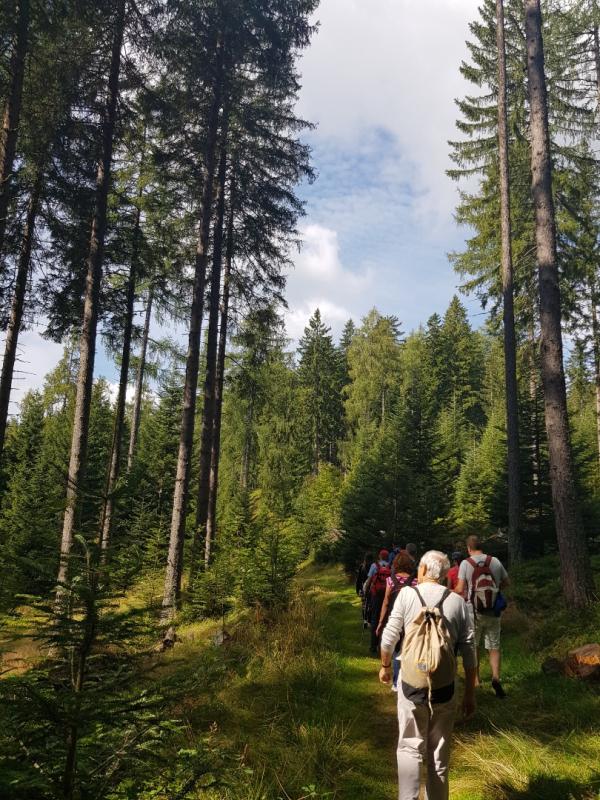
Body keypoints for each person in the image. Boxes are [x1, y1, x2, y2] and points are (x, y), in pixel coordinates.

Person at [380, 550, 476, 800]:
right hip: (444, 687)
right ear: (444, 575)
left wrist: (386, 666)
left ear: (422, 570)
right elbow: (469, 652)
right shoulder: (458, 602)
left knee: (409, 748)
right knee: (438, 755)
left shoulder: (407, 595)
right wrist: (469, 694)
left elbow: (388, 639)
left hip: (411, 684)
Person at [453, 535, 509, 698]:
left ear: (468, 548)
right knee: (494, 645)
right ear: (482, 546)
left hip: (474, 611)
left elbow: (460, 589)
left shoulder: (466, 563)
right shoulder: (495, 561)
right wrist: (494, 591)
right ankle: (496, 678)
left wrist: (450, 591)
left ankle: (476, 680)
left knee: (474, 645)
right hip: (493, 610)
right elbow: (507, 582)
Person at [375, 549, 417, 691]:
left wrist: (380, 622)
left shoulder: (390, 580)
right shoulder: (416, 581)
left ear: (396, 564)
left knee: (396, 649)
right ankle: (409, 679)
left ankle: (396, 682)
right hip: (410, 619)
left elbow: (386, 602)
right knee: (408, 648)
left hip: (394, 617)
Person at [363, 549, 391, 653]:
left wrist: (366, 593)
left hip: (376, 596)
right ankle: (383, 645)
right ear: (387, 557)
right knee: (385, 620)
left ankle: (373, 646)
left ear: (379, 556)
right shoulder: (390, 567)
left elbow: (369, 580)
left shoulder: (374, 566)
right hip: (387, 596)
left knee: (375, 619)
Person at [356, 552, 374, 629]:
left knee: (364, 605)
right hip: (372, 588)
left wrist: (358, 590)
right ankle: (370, 620)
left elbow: (359, 579)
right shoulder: (374, 566)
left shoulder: (362, 566)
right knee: (371, 605)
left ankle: (365, 621)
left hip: (364, 588)